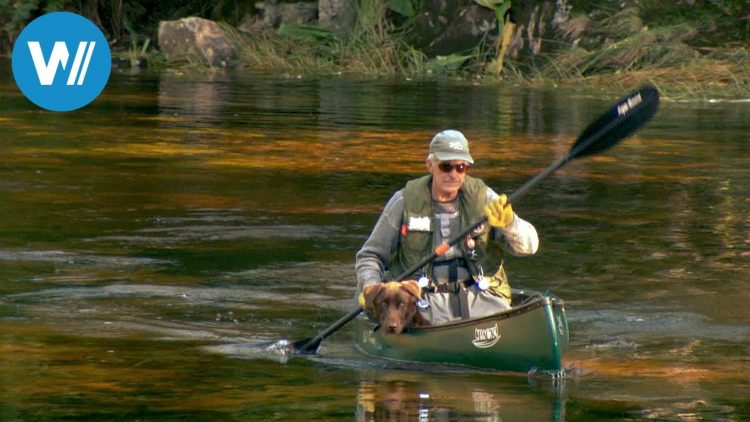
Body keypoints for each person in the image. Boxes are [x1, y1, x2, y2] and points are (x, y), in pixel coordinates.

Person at [355, 129, 539, 324]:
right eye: (446, 167)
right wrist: (371, 288)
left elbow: (530, 247)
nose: (453, 174)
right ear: (430, 165)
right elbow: (370, 255)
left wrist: (510, 225)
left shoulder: (486, 199)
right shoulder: (403, 201)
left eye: (460, 168)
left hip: (481, 297)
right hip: (422, 302)